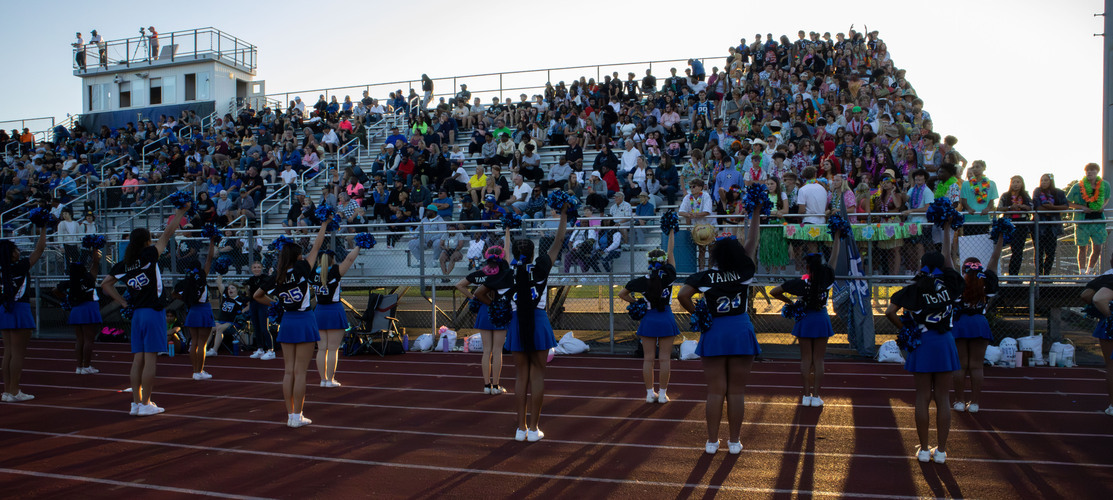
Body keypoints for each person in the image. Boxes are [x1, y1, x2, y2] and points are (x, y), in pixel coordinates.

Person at [476, 209, 569, 442]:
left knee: (520, 377)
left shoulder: (506, 273)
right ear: (534, 253)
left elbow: (479, 293)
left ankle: (520, 429)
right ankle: (535, 429)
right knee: (538, 376)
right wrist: (563, 214)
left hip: (516, 323)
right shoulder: (542, 266)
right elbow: (558, 241)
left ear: (514, 254)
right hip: (539, 323)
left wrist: (497, 306)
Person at [677, 210, 762, 455]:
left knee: (715, 391)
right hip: (740, 330)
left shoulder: (705, 277)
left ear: (715, 255)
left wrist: (698, 313)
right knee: (736, 391)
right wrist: (755, 213)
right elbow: (752, 242)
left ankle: (712, 442)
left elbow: (682, 295)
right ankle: (734, 442)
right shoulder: (745, 271)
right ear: (738, 254)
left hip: (714, 329)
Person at [101, 203, 191, 416]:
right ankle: (146, 403)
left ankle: (136, 403)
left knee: (138, 359)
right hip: (152, 312)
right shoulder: (149, 255)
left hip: (137, 315)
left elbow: (105, 284)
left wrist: (123, 302)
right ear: (146, 241)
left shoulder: (124, 264)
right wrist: (181, 212)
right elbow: (167, 234)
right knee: (151, 359)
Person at [884, 219, 962, 463]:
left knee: (922, 396)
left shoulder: (915, 288)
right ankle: (942, 451)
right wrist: (947, 230)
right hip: (945, 342)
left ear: (922, 265)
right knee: (943, 398)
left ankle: (925, 450)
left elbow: (889, 312)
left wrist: (906, 329)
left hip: (923, 341)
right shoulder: (952, 283)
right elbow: (949, 261)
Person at [253, 220, 327, 428]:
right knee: (300, 372)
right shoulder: (302, 268)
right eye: (300, 254)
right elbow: (317, 246)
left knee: (288, 371)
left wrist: (275, 303)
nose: (303, 257)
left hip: (287, 321)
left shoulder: (277, 275)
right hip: (304, 320)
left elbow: (257, 295)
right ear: (296, 256)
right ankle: (298, 415)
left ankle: (290, 416)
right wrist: (324, 224)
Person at [771, 234, 840, 407]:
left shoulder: (800, 283)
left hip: (805, 320)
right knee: (819, 360)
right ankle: (816, 396)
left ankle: (806, 395)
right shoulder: (827, 278)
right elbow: (834, 258)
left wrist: (790, 302)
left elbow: (774, 292)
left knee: (805, 359)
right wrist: (837, 236)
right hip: (821, 319)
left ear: (807, 267)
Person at [619, 224, 679, 403]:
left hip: (649, 318)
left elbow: (622, 294)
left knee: (648, 359)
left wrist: (636, 302)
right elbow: (671, 252)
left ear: (649, 263)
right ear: (664, 262)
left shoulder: (640, 281)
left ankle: (649, 394)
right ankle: (663, 394)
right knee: (665, 359)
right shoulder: (670, 275)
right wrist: (671, 232)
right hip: (666, 317)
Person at [951, 230, 1003, 414]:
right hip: (980, 324)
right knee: (976, 366)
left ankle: (959, 401)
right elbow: (994, 259)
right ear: (980, 269)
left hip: (960, 324)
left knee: (960, 365)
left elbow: (948, 258)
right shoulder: (986, 283)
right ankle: (974, 403)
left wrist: (949, 231)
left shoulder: (957, 283)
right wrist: (1001, 237)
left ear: (963, 270)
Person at [0, 226, 47, 403]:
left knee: (8, 352)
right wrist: (43, 228)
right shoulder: (20, 266)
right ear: (12, 254)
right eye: (16, 250)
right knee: (18, 353)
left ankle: (7, 391)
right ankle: (15, 391)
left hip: (4, 310)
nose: (18, 252)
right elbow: (40, 249)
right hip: (20, 310)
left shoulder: (2, 270)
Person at [456, 246, 511, 395]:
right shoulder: (504, 273)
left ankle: (487, 386)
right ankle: (496, 386)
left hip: (484, 310)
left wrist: (474, 298)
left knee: (487, 350)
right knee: (497, 350)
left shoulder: (481, 273)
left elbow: (459, 285)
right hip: (499, 311)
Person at [313, 231, 363, 388]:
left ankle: (323, 380)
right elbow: (349, 259)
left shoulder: (312, 274)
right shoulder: (336, 270)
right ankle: (330, 380)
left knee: (321, 349)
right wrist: (359, 245)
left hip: (319, 311)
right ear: (333, 259)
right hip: (334, 310)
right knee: (333, 349)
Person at [175, 241, 216, 380]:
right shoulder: (202, 276)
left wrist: (185, 299)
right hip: (204, 310)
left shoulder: (186, 281)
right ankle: (200, 371)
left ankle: (195, 371)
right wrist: (212, 242)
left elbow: (174, 294)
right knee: (202, 344)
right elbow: (209, 259)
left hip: (192, 311)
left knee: (194, 342)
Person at [65, 249, 104, 374]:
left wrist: (64, 300)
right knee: (88, 339)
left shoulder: (72, 283)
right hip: (89, 309)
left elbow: (56, 290)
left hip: (76, 310)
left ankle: (79, 367)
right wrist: (95, 249)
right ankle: (86, 366)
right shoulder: (89, 279)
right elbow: (96, 263)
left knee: (79, 339)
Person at [1067, 163, 1110, 275]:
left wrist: (1102, 206)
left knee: (1098, 248)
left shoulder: (1105, 185)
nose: (1089, 172)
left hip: (1098, 221)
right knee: (1082, 247)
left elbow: (1107, 198)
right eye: (1087, 170)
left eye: (1092, 170)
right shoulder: (1077, 186)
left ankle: (1089, 270)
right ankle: (1082, 273)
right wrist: (1081, 207)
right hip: (1082, 221)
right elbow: (1067, 202)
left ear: (1097, 171)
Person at [1080, 271, 1113, 416]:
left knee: (1111, 366)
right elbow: (1099, 299)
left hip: (1106, 325)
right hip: (1109, 323)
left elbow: (1086, 295)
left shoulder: (1105, 276)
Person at [1032, 174, 1068, 275]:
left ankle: (1046, 274)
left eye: (1046, 180)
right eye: (1042, 180)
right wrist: (1054, 209)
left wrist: (1052, 207)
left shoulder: (1059, 192)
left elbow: (1065, 206)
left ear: (1051, 181)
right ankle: (1038, 275)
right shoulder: (1037, 191)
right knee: (1038, 252)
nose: (1043, 182)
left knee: (1051, 252)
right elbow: (1037, 207)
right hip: (1039, 227)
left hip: (1053, 227)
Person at [998, 175, 1032, 275]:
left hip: (1022, 223)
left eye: (1018, 182)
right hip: (1010, 223)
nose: (1015, 184)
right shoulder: (1005, 195)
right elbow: (999, 208)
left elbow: (1031, 207)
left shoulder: (1025, 195)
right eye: (1013, 182)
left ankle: (1014, 274)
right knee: (1014, 248)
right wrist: (1010, 207)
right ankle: (1011, 274)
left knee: (1019, 250)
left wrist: (1023, 206)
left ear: (1022, 184)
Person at [210, 274, 249, 360]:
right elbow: (219, 284)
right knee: (210, 327)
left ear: (237, 290)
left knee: (219, 329)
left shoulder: (240, 299)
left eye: (232, 288)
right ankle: (204, 348)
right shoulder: (225, 297)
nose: (230, 290)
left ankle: (214, 350)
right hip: (221, 321)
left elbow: (250, 305)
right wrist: (220, 274)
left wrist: (242, 311)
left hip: (232, 323)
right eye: (228, 288)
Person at [245, 262, 277, 360]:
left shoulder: (265, 278)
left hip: (262, 304)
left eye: (259, 267)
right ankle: (260, 349)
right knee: (256, 327)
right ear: (251, 269)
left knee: (264, 328)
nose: (256, 269)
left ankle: (271, 350)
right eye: (254, 267)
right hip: (253, 304)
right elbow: (249, 293)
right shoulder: (250, 280)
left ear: (262, 268)